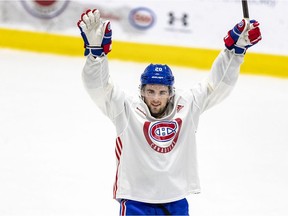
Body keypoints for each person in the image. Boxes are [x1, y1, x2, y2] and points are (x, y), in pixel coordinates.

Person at [77, 9, 262, 216]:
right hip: (136, 200)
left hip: (175, 200)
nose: (156, 98)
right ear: (142, 92)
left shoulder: (187, 106)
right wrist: (96, 55)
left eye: (162, 92)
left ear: (171, 92)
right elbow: (98, 88)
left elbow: (217, 86)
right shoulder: (126, 108)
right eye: (151, 91)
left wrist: (234, 52)